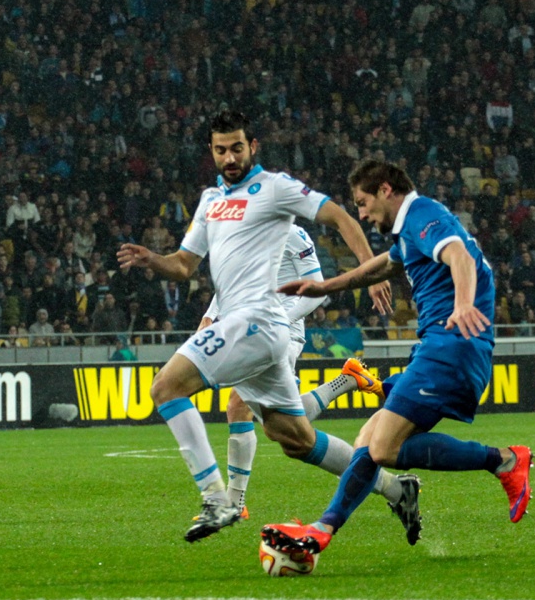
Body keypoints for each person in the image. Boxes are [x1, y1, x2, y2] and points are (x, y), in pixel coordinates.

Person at [116, 110, 400, 543]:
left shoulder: (275, 188)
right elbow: (184, 265)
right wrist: (152, 259)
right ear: (211, 152)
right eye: (221, 150)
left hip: (259, 321)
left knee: (166, 387)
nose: (230, 157)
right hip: (245, 325)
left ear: (253, 147)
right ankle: (395, 488)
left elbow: (340, 217)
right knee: (295, 438)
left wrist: (370, 271)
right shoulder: (211, 201)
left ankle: (219, 499)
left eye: (237, 148)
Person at [262, 159, 533, 561]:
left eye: (363, 203)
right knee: (367, 441)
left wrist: (462, 304)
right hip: (438, 347)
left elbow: (459, 256)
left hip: (452, 344)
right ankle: (321, 531)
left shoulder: (422, 214)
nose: (362, 214)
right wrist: (325, 286)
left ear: (386, 190)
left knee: (383, 448)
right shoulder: (408, 231)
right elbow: (383, 266)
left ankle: (503, 460)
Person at [199, 222, 388, 518]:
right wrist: (210, 315)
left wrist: (280, 321)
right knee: (278, 426)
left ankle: (234, 503)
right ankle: (347, 380)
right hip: (255, 331)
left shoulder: (292, 234)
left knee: (244, 409)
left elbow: (316, 291)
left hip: (283, 334)